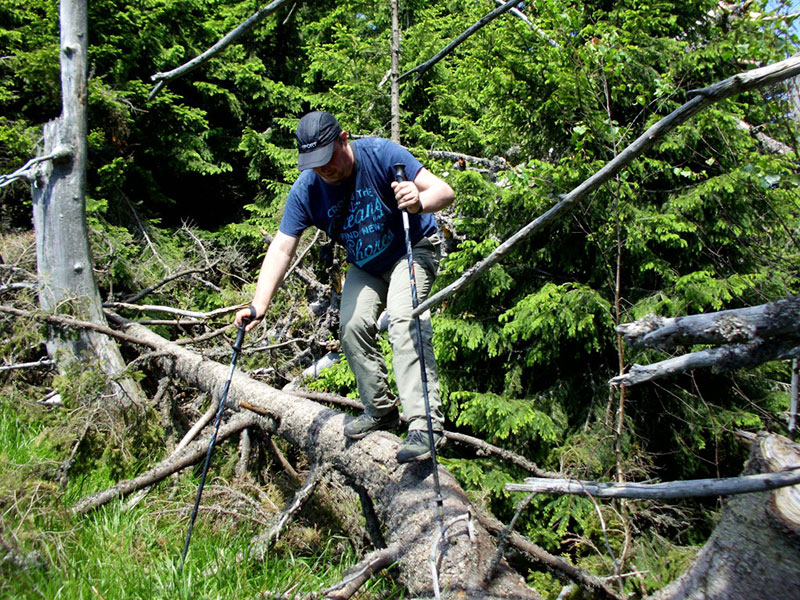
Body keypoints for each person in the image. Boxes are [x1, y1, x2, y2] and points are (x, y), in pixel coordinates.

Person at [234, 111, 455, 463]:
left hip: (413, 249)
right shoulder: (308, 189)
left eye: (327, 159)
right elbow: (281, 247)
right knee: (351, 325)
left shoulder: (381, 154)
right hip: (366, 264)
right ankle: (379, 410)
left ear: (343, 139)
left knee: (403, 319)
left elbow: (444, 191)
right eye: (314, 163)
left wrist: (419, 200)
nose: (323, 170)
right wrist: (259, 305)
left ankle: (424, 424)